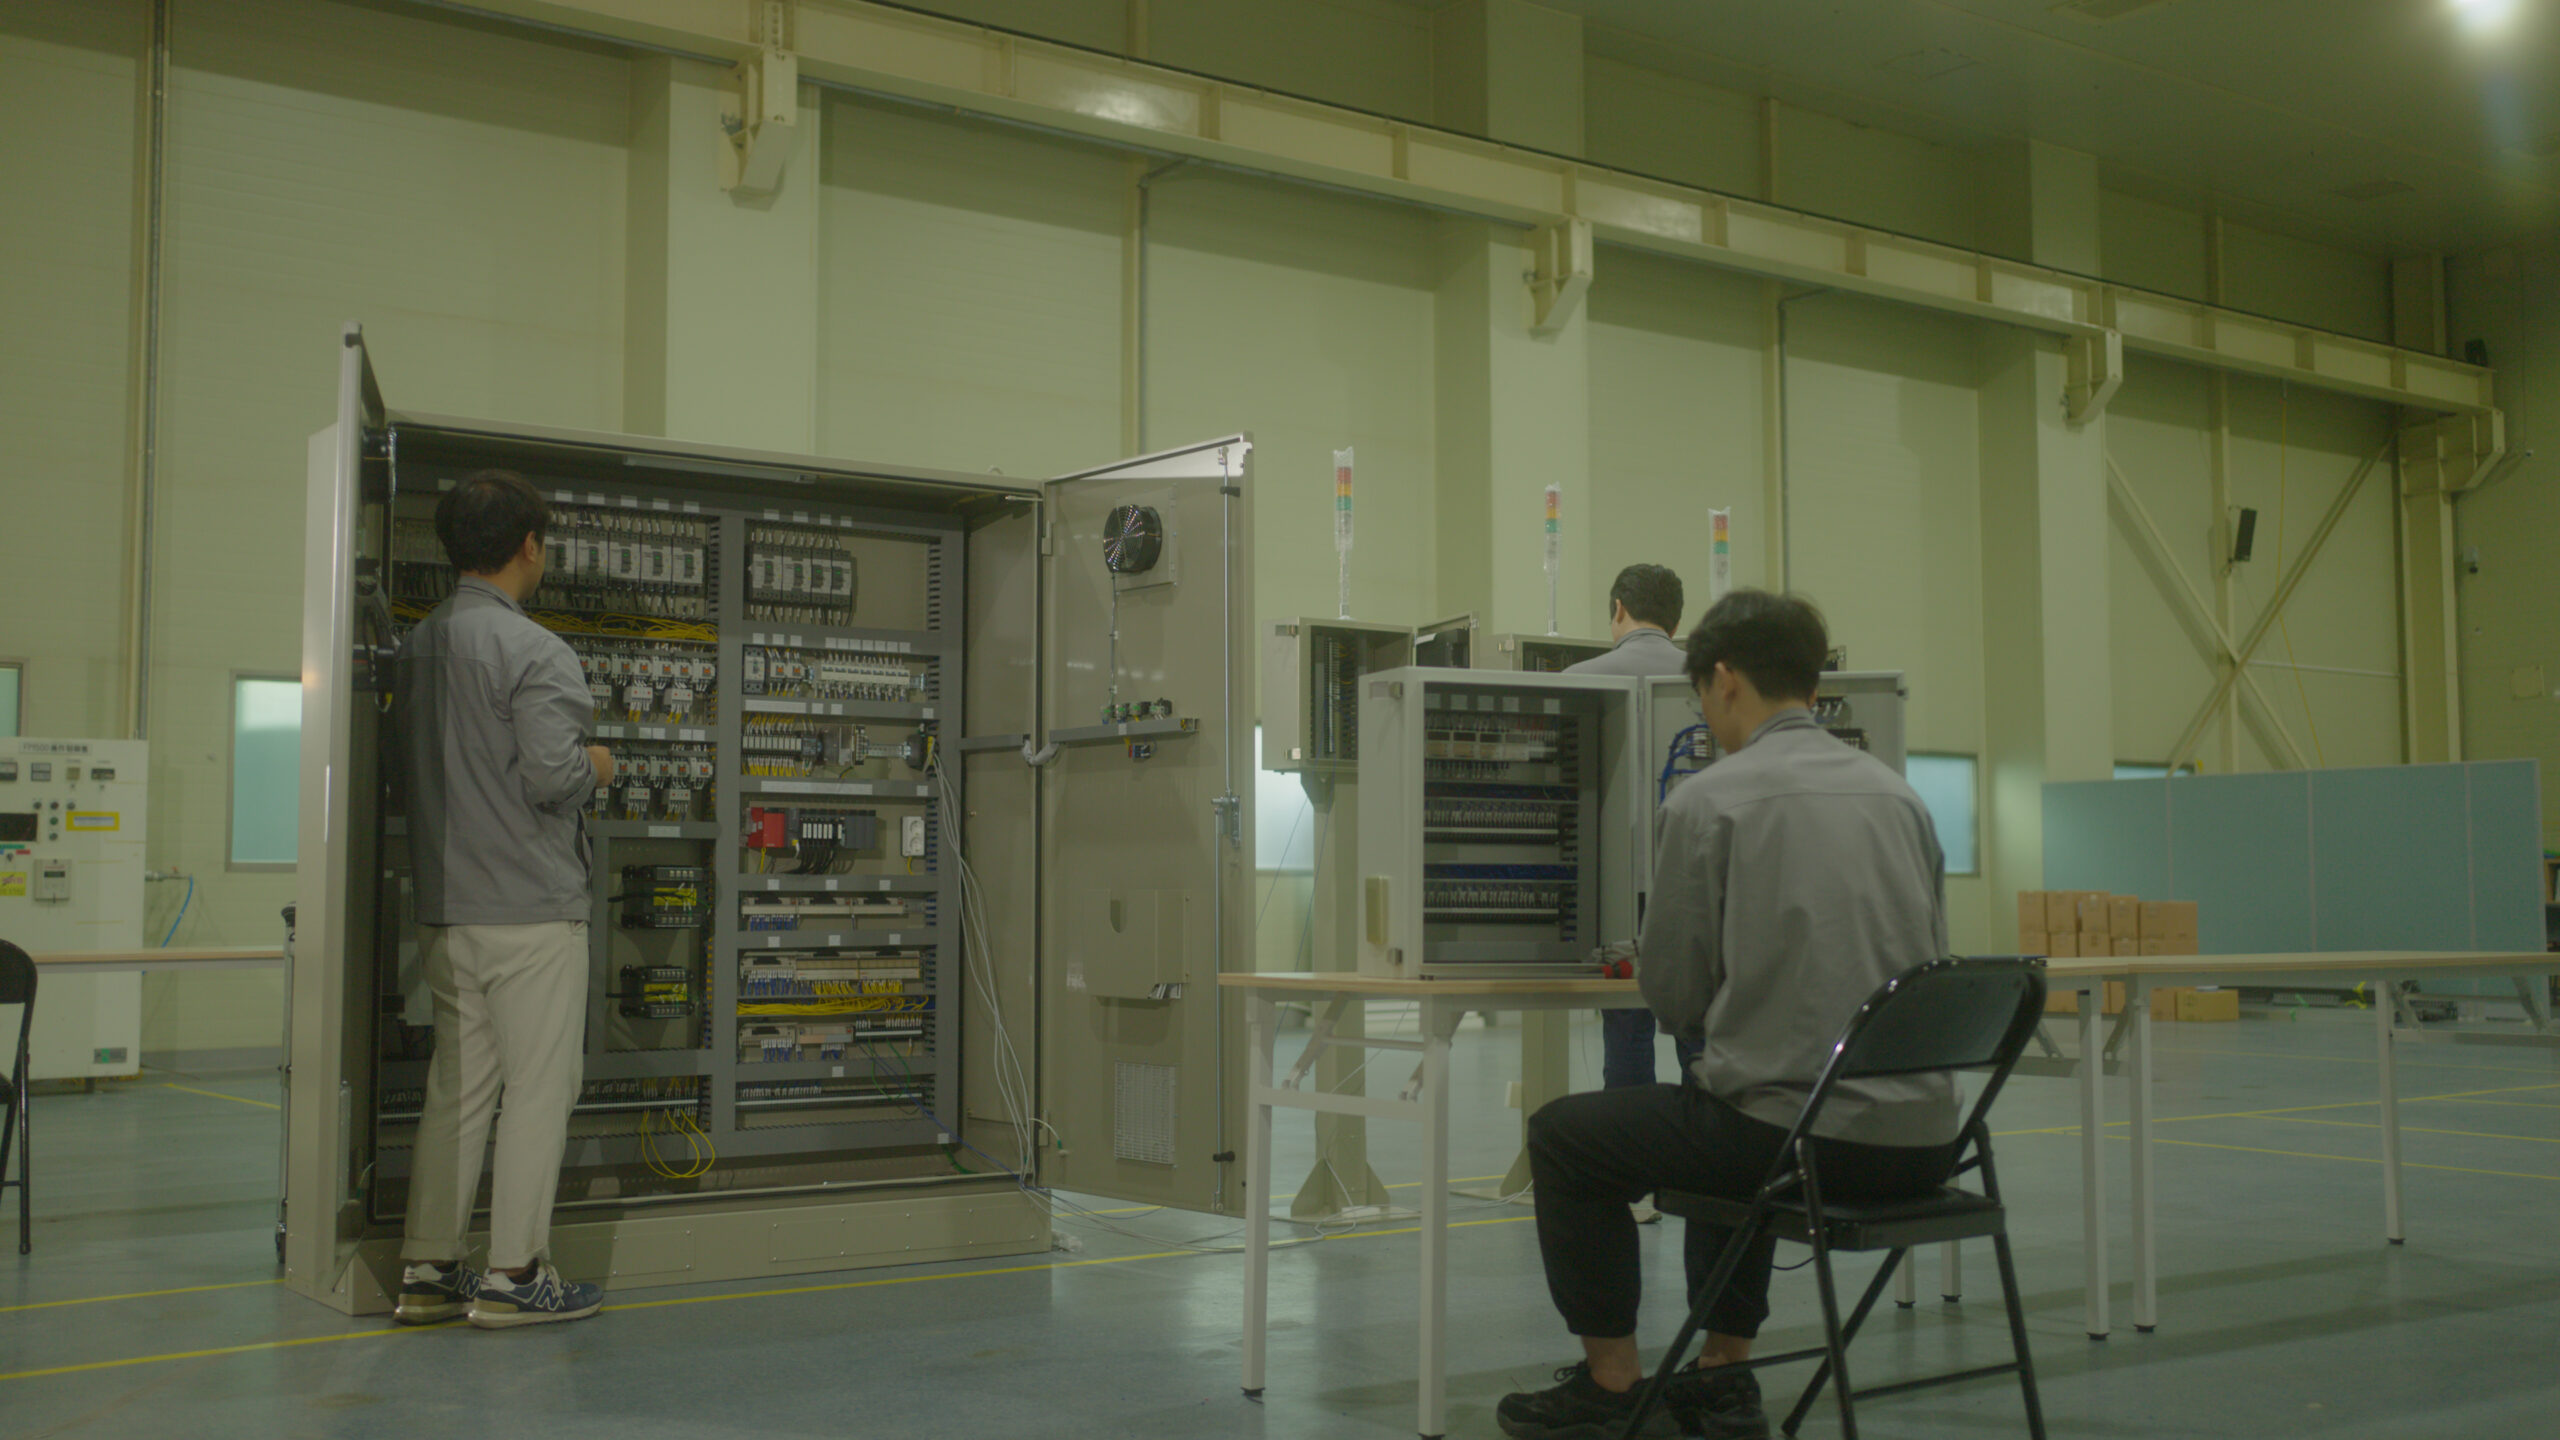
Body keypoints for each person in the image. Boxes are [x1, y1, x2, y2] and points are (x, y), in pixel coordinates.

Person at [1497, 590, 1961, 1440]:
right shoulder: (1902, 799)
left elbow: (1673, 995)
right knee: (1734, 1101)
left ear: (1723, 680)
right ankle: (1722, 1376)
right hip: (1926, 1144)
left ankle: (1611, 1384)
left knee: (1571, 1136)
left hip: (1801, 1145)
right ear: (1812, 683)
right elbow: (1931, 961)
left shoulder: (1708, 801)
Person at [390, 470, 612, 1329]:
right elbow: (554, 776)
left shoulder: (419, 645)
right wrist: (601, 765)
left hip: (448, 910)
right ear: (530, 546)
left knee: (458, 1091)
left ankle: (429, 1267)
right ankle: (515, 1275)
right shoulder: (534, 650)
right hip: (530, 912)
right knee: (539, 1091)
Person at [1561, 564, 1704, 1101]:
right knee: (1701, 1042)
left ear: (1618, 608)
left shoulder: (1579, 678)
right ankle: (1701, 1147)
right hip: (1698, 896)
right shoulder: (1717, 682)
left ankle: (1627, 1140)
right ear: (1677, 620)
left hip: (1613, 900)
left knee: (1625, 1034)